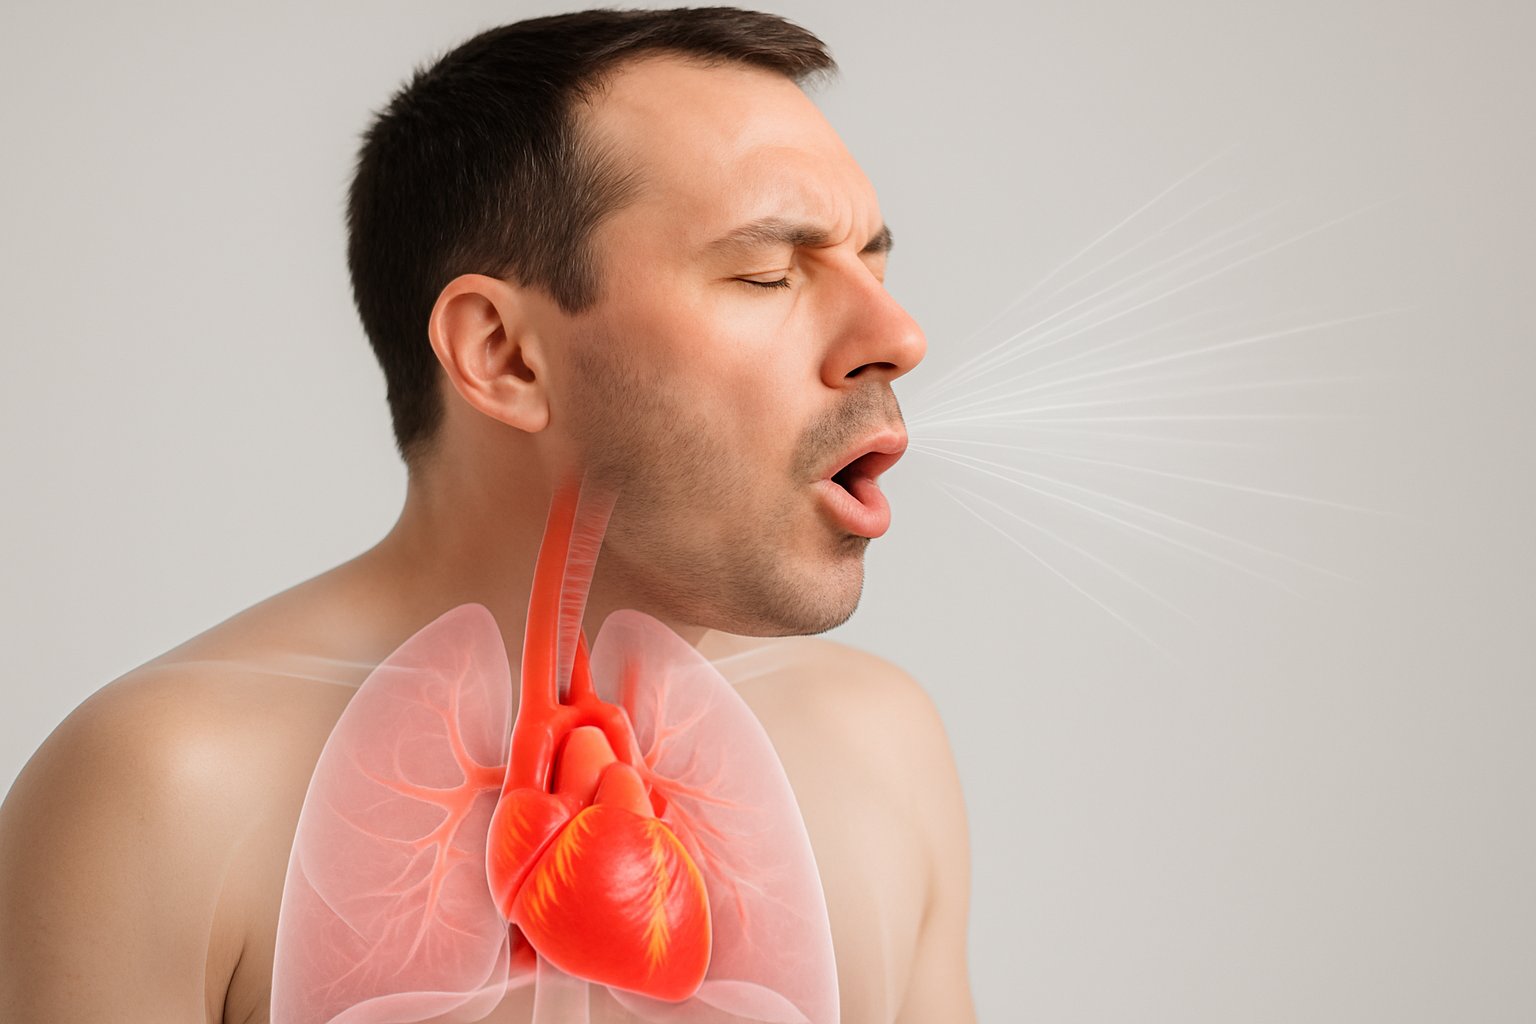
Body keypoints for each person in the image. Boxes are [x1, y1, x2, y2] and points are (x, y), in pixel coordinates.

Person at [0, 8, 974, 1023]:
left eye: (877, 267)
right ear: (502, 353)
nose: (898, 335)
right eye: (769, 273)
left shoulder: (880, 748)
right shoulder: (162, 795)